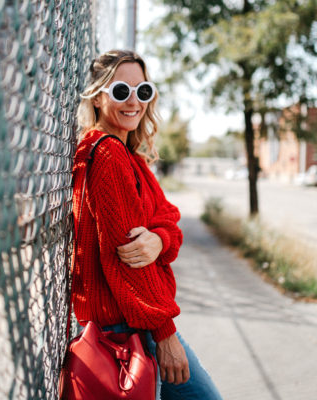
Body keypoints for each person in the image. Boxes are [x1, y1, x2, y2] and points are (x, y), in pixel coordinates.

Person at [72, 49, 223, 400]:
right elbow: (130, 262)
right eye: (121, 91)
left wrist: (159, 239)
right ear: (96, 97)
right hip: (127, 325)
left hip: (135, 320)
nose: (134, 102)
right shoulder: (107, 154)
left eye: (143, 91)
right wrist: (166, 335)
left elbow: (169, 217)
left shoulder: (131, 158)